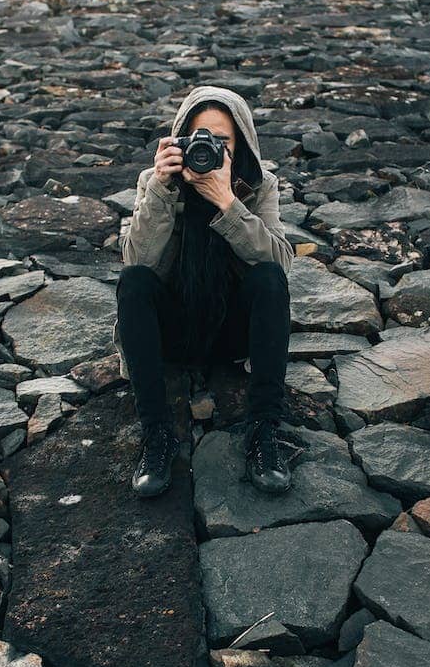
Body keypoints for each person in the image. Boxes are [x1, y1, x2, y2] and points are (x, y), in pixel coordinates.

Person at [111, 85, 295, 498]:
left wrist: (228, 204)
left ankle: (264, 432)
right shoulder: (156, 182)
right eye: (200, 138)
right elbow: (135, 260)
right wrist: (160, 190)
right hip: (174, 330)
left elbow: (280, 265)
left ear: (241, 142)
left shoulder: (258, 185)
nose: (208, 148)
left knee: (268, 279)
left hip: (232, 331)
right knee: (134, 283)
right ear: (180, 140)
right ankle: (157, 435)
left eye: (222, 141)